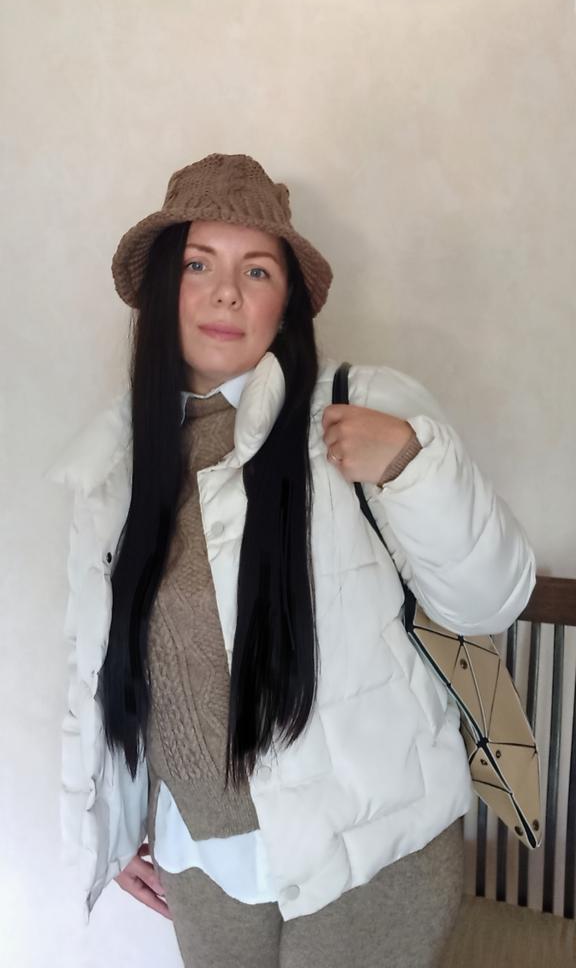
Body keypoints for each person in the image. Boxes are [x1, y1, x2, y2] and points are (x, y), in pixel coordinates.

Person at [47, 153, 536, 967]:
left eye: (257, 270)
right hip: (201, 859)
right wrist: (115, 824)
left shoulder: (360, 408)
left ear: (287, 305)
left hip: (369, 852)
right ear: (164, 288)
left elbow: (492, 600)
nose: (226, 293)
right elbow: (104, 666)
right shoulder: (118, 465)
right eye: (198, 264)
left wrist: (410, 464)